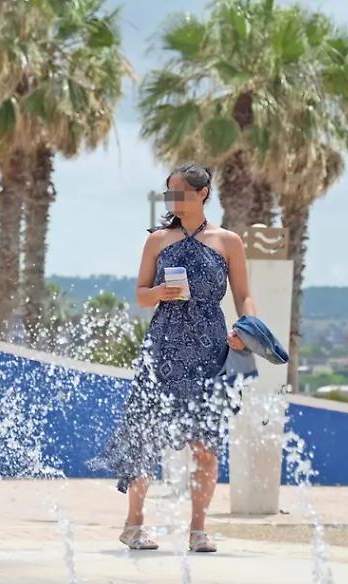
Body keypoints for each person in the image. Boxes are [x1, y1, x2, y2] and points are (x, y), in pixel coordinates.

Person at [97, 164, 257, 553]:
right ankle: (134, 524)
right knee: (145, 436)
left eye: (181, 192)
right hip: (164, 345)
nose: (173, 200)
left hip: (210, 348)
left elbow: (243, 295)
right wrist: (158, 293)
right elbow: (140, 294)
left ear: (203, 193)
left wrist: (246, 328)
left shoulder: (229, 241)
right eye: (169, 193)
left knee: (206, 444)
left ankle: (198, 530)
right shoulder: (157, 240)